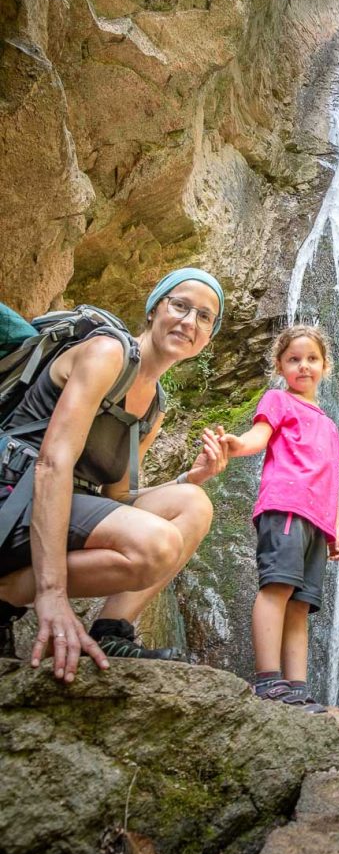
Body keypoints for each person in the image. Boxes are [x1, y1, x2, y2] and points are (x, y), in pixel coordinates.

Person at [0, 268, 228, 682]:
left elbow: (118, 496)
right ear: (155, 308)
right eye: (180, 305)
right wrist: (52, 594)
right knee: (154, 546)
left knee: (194, 505)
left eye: (204, 317)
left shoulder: (153, 407)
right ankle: (8, 594)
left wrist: (186, 481)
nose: (188, 321)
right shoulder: (108, 354)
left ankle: (111, 630)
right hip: (14, 497)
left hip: (66, 504)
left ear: (208, 337)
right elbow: (53, 465)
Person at [223, 323, 339, 714]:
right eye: (294, 359)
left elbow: (331, 477)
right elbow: (258, 437)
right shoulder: (278, 400)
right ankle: (267, 679)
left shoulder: (329, 425)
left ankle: (297, 688)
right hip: (286, 507)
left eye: (312, 359)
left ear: (325, 367)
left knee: (301, 605)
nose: (303, 366)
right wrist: (236, 445)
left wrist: (336, 527)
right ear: (280, 365)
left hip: (318, 521)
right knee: (277, 588)